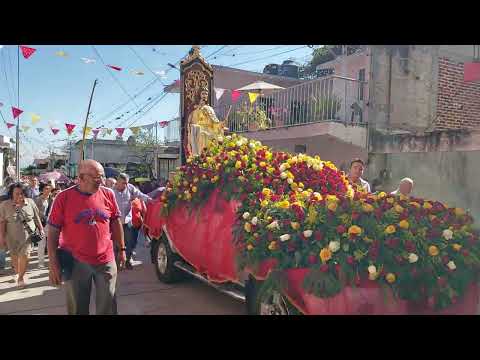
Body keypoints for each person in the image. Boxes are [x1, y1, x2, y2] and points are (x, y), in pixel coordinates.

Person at [47, 160, 126, 315]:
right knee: (77, 307)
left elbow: (116, 222)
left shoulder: (108, 194)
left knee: (108, 304)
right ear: (81, 178)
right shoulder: (63, 198)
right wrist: (53, 262)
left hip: (106, 260)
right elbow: (53, 233)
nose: (102, 181)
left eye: (102, 177)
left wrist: (122, 248)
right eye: (97, 178)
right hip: (75, 261)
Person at [0, 182, 44, 288]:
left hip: (27, 236)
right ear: (11, 194)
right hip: (11, 237)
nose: (20, 195)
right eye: (17, 193)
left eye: (22, 193)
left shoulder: (30, 202)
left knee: (25, 255)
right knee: (14, 257)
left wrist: (41, 228)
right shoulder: (5, 205)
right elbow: (2, 222)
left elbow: (36, 217)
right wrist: (1, 237)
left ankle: (21, 278)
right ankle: (17, 272)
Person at [113, 173, 151, 270]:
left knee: (130, 242)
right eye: (123, 183)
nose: (125, 185)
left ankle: (128, 260)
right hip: (115, 222)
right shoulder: (111, 191)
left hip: (128, 220)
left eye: (126, 183)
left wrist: (149, 200)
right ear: (117, 181)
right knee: (117, 243)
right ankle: (117, 262)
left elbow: (140, 195)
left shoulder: (130, 188)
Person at [34, 182, 54, 269]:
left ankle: (51, 262)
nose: (48, 190)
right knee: (41, 244)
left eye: (49, 189)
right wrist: (44, 216)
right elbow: (36, 212)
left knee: (51, 244)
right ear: (42, 190)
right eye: (46, 188)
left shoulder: (52, 199)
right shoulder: (38, 200)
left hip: (50, 224)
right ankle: (40, 263)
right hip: (41, 224)